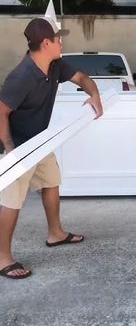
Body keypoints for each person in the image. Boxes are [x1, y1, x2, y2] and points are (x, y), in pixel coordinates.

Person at [0, 17, 103, 280]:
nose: (61, 42)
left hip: (40, 140)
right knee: (12, 201)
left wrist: (94, 94)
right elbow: (1, 112)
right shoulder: (21, 76)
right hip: (18, 146)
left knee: (51, 182)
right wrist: (10, 148)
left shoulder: (55, 65)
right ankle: (2, 258)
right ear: (46, 43)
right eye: (58, 39)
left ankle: (55, 233)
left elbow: (82, 77)